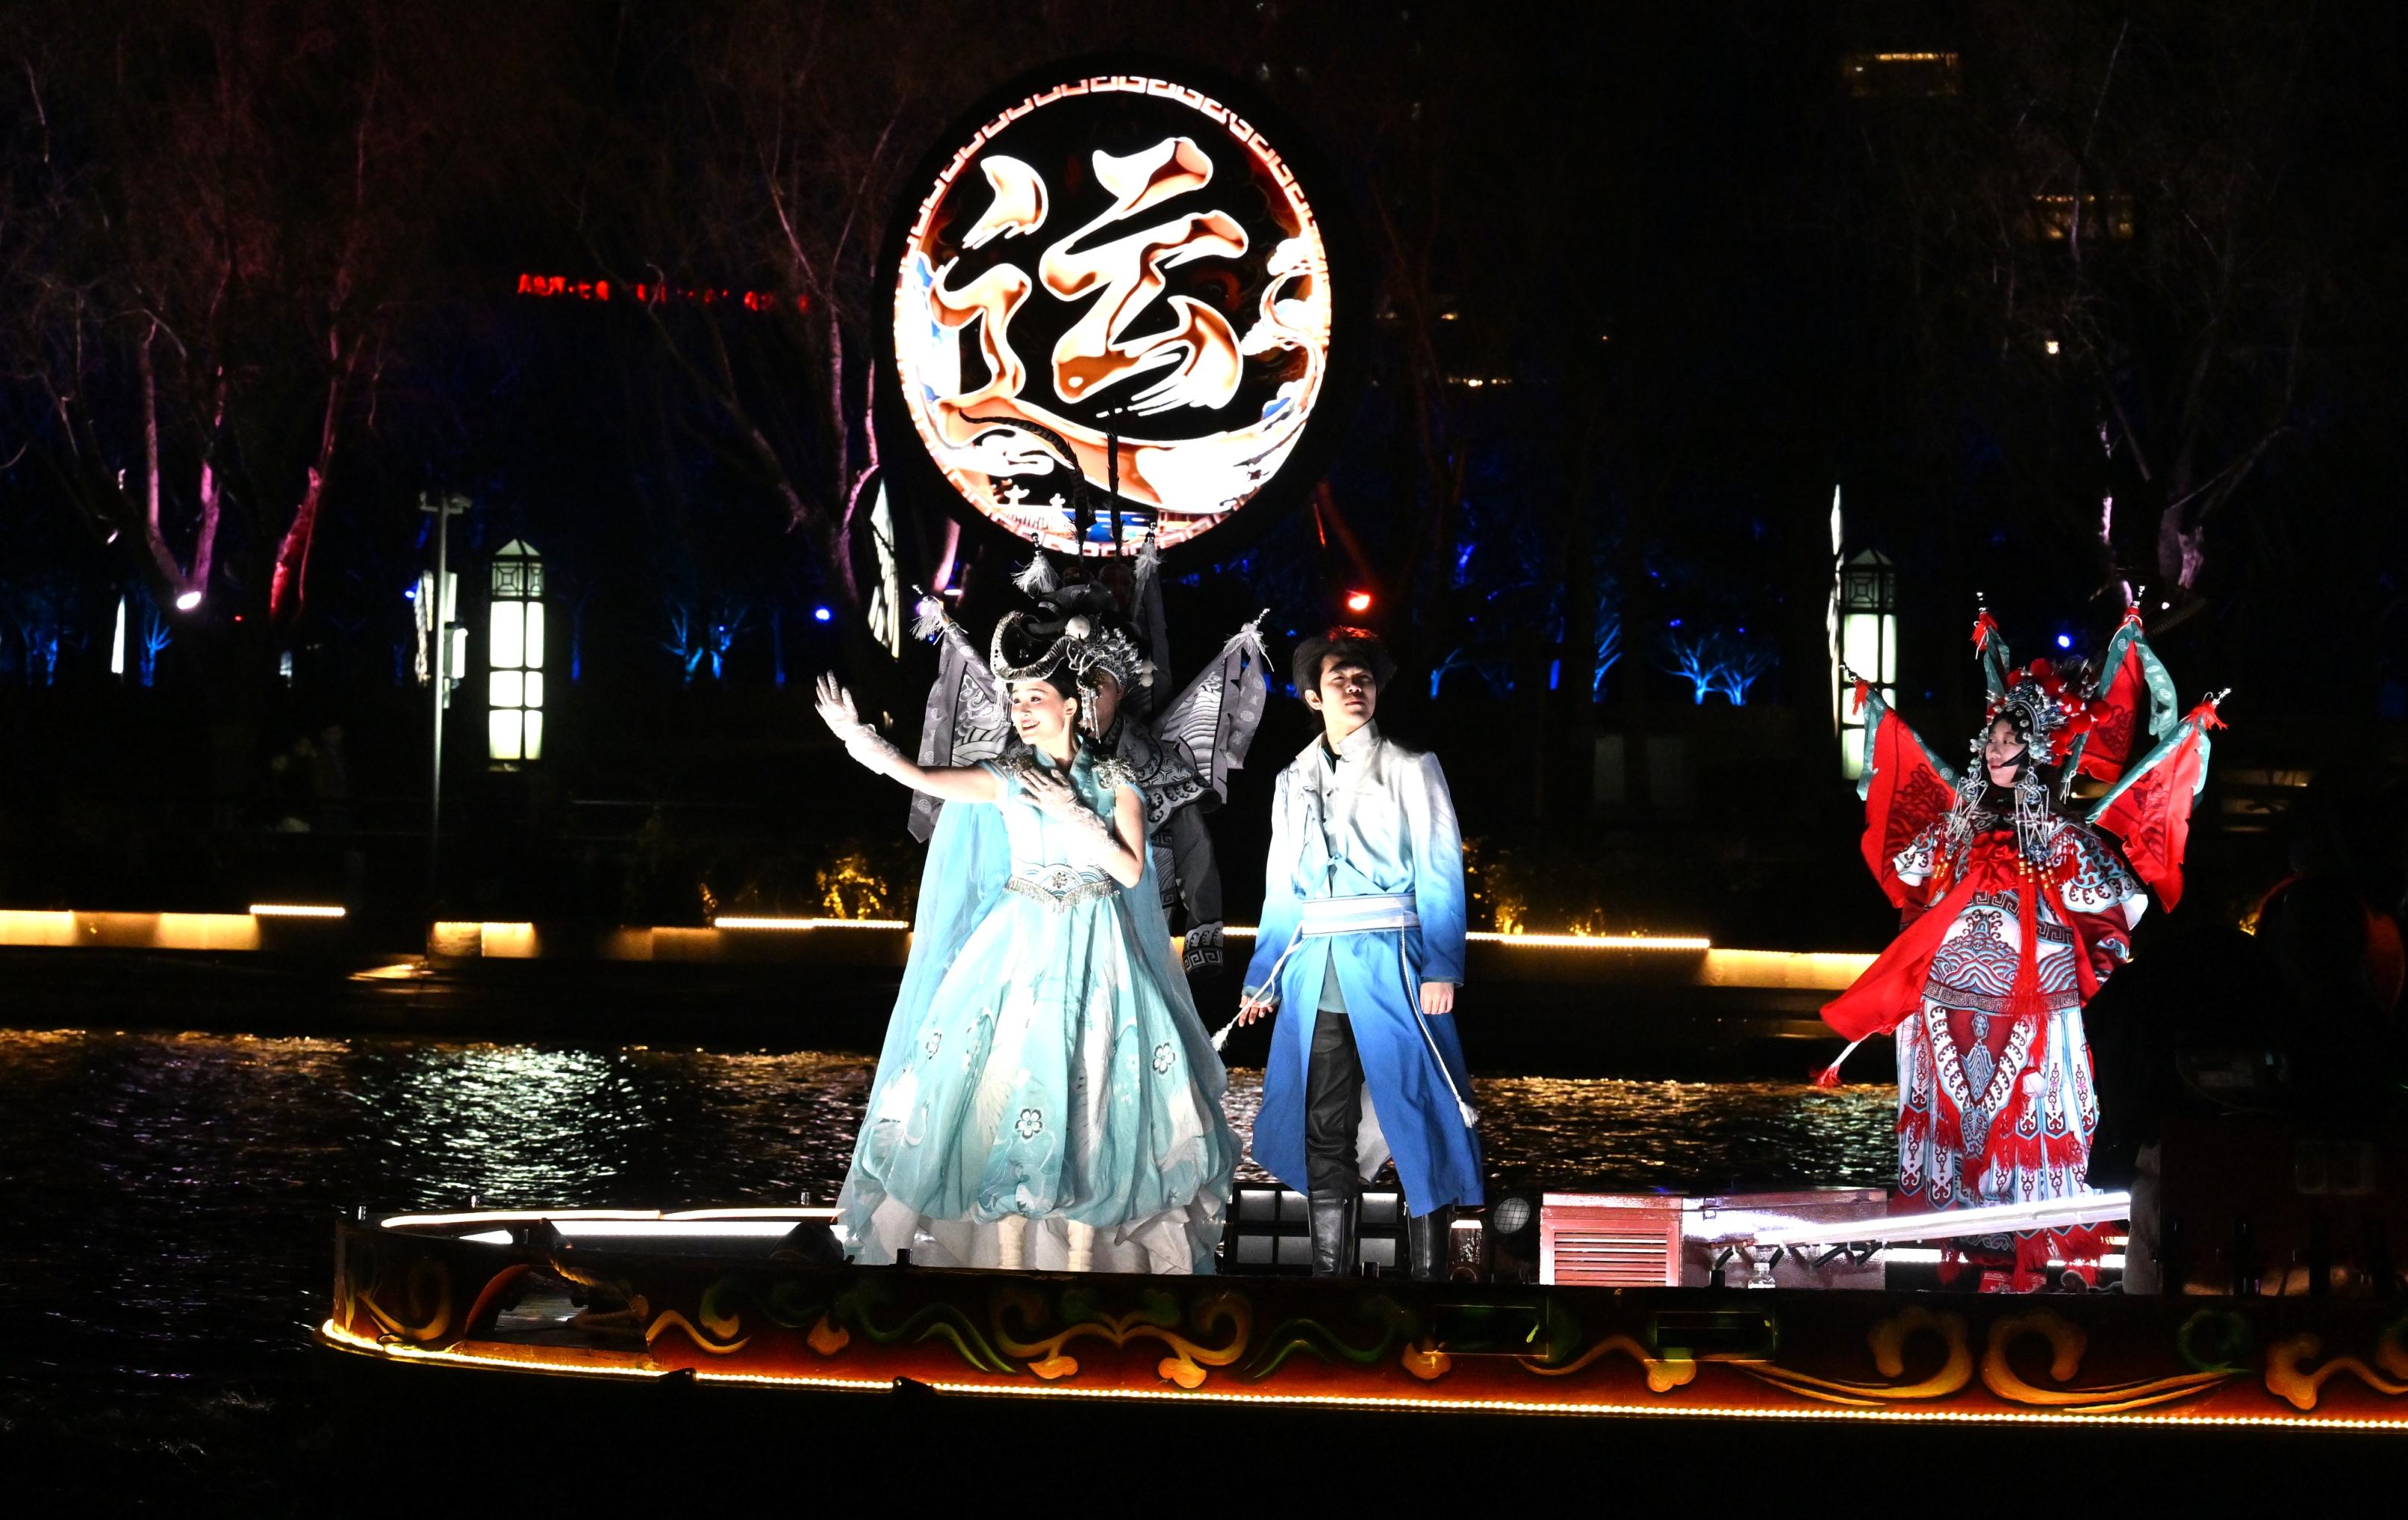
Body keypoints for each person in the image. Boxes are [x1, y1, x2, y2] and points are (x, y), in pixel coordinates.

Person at [813, 610, 1239, 1274]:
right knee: (1003, 1087)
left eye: (1034, 698)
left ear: (1071, 705)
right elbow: (923, 778)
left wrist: (1071, 813)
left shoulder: (1115, 781)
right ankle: (1006, 1263)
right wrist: (860, 740)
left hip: (1097, 947)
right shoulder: (1007, 776)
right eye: (1014, 700)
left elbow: (1130, 871)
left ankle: (1082, 1263)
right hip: (1017, 947)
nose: (1021, 711)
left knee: (1093, 1089)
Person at [1824, 600, 2222, 1289]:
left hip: (2034, 1005)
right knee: (1955, 1121)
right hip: (1946, 1002)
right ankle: (1964, 1237)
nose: (1994, 750)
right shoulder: (1958, 824)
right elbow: (1913, 878)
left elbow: (2116, 903)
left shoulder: (2061, 835)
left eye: (2009, 741)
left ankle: (2031, 1247)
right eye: (1991, 739)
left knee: (2026, 1117)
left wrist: (2072, 957)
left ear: (2035, 749)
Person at [1234, 627, 1481, 1278]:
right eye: (1339, 678)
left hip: (1391, 960)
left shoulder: (1409, 765)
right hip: (1316, 965)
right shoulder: (1292, 778)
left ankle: (1428, 1278)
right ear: (1312, 696)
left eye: (1363, 678)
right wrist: (1264, 978)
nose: (1353, 687)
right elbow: (1281, 885)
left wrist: (1442, 965)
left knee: (1415, 1105)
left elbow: (1439, 871)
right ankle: (1329, 1277)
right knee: (1324, 1118)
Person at [908, 546, 1269, 978]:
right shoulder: (1023, 759)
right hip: (1038, 922)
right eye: (1080, 685)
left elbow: (1195, 850)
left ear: (1123, 689)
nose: (1089, 694)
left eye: (1099, 683)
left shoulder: (1158, 764)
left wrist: (1203, 930)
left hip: (1138, 921)